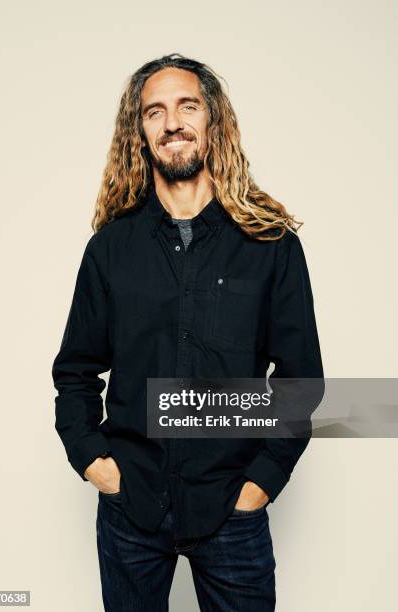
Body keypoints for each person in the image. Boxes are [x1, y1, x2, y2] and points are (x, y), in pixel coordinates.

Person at [51, 53, 324, 612]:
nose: (172, 121)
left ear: (212, 121)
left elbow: (301, 381)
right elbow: (76, 371)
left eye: (187, 106)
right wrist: (95, 463)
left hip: (231, 510)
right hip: (132, 509)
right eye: (155, 112)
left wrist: (260, 486)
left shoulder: (271, 245)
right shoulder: (110, 249)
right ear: (141, 133)